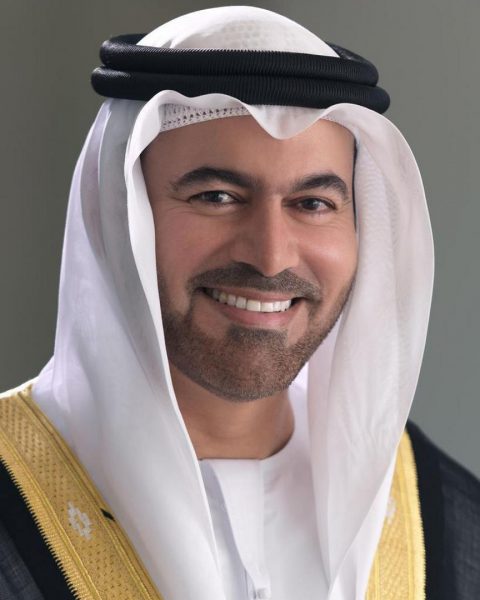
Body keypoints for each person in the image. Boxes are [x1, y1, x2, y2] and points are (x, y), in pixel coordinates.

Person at [0, 6, 479, 600]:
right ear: (120, 216)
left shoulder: (445, 520)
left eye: (313, 204)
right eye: (217, 196)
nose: (272, 257)